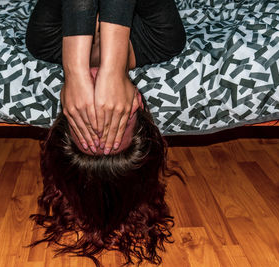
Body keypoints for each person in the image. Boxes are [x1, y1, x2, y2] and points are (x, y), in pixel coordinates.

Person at [25, 0, 186, 266]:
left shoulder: (44, 42)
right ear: (138, 103)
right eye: (114, 119)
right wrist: (113, 69)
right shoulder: (164, 39)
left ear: (66, 110)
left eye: (86, 122)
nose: (100, 108)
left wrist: (75, 70)